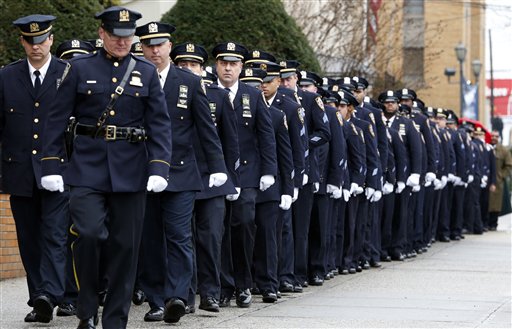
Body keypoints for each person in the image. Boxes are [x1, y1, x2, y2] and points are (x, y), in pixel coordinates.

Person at [40, 6, 173, 329]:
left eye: (128, 36)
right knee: (87, 234)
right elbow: (55, 119)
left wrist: (159, 167)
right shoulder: (79, 68)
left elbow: (159, 124)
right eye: (116, 35)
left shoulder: (145, 72)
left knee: (126, 249)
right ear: (102, 34)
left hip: (132, 171)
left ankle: (116, 320)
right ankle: (87, 308)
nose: (123, 42)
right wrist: (50, 165)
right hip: (87, 167)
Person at [135, 23, 227, 323]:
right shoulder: (132, 77)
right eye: (148, 45)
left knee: (178, 236)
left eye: (159, 44)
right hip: (142, 172)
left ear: (169, 46)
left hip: (182, 172)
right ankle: (156, 300)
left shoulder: (187, 81)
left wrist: (217, 167)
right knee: (150, 239)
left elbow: (206, 129)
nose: (154, 50)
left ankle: (178, 296)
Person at [0, 14, 69, 324]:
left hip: (59, 173)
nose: (36, 46)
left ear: (51, 39)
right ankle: (40, 297)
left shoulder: (68, 73)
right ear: (22, 42)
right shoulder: (6, 76)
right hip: (20, 174)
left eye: (41, 39)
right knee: (28, 239)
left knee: (55, 235)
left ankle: (51, 293)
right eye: (30, 40)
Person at [171, 42, 240, 314]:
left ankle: (211, 293)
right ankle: (185, 295)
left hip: (212, 179)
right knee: (181, 239)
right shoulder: (166, 93)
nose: (188, 69)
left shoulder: (218, 96)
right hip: (181, 177)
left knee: (211, 238)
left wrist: (230, 178)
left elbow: (230, 141)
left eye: (194, 65)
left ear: (203, 69)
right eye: (183, 65)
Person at [212, 41, 277, 308]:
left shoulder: (252, 95)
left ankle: (243, 283)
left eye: (234, 64)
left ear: (241, 67)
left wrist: (269, 170)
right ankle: (225, 285)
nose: (228, 68)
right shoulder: (206, 92)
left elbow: (266, 135)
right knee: (219, 230)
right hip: (217, 173)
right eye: (224, 63)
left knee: (244, 225)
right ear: (216, 65)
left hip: (248, 172)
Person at [488, 131, 512, 230]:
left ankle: (493, 223)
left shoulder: (503, 150)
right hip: (486, 180)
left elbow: (509, 165)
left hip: (498, 181)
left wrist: (501, 175)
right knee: (485, 202)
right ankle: (485, 222)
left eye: (496, 136)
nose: (494, 138)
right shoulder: (487, 147)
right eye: (492, 136)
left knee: (495, 204)